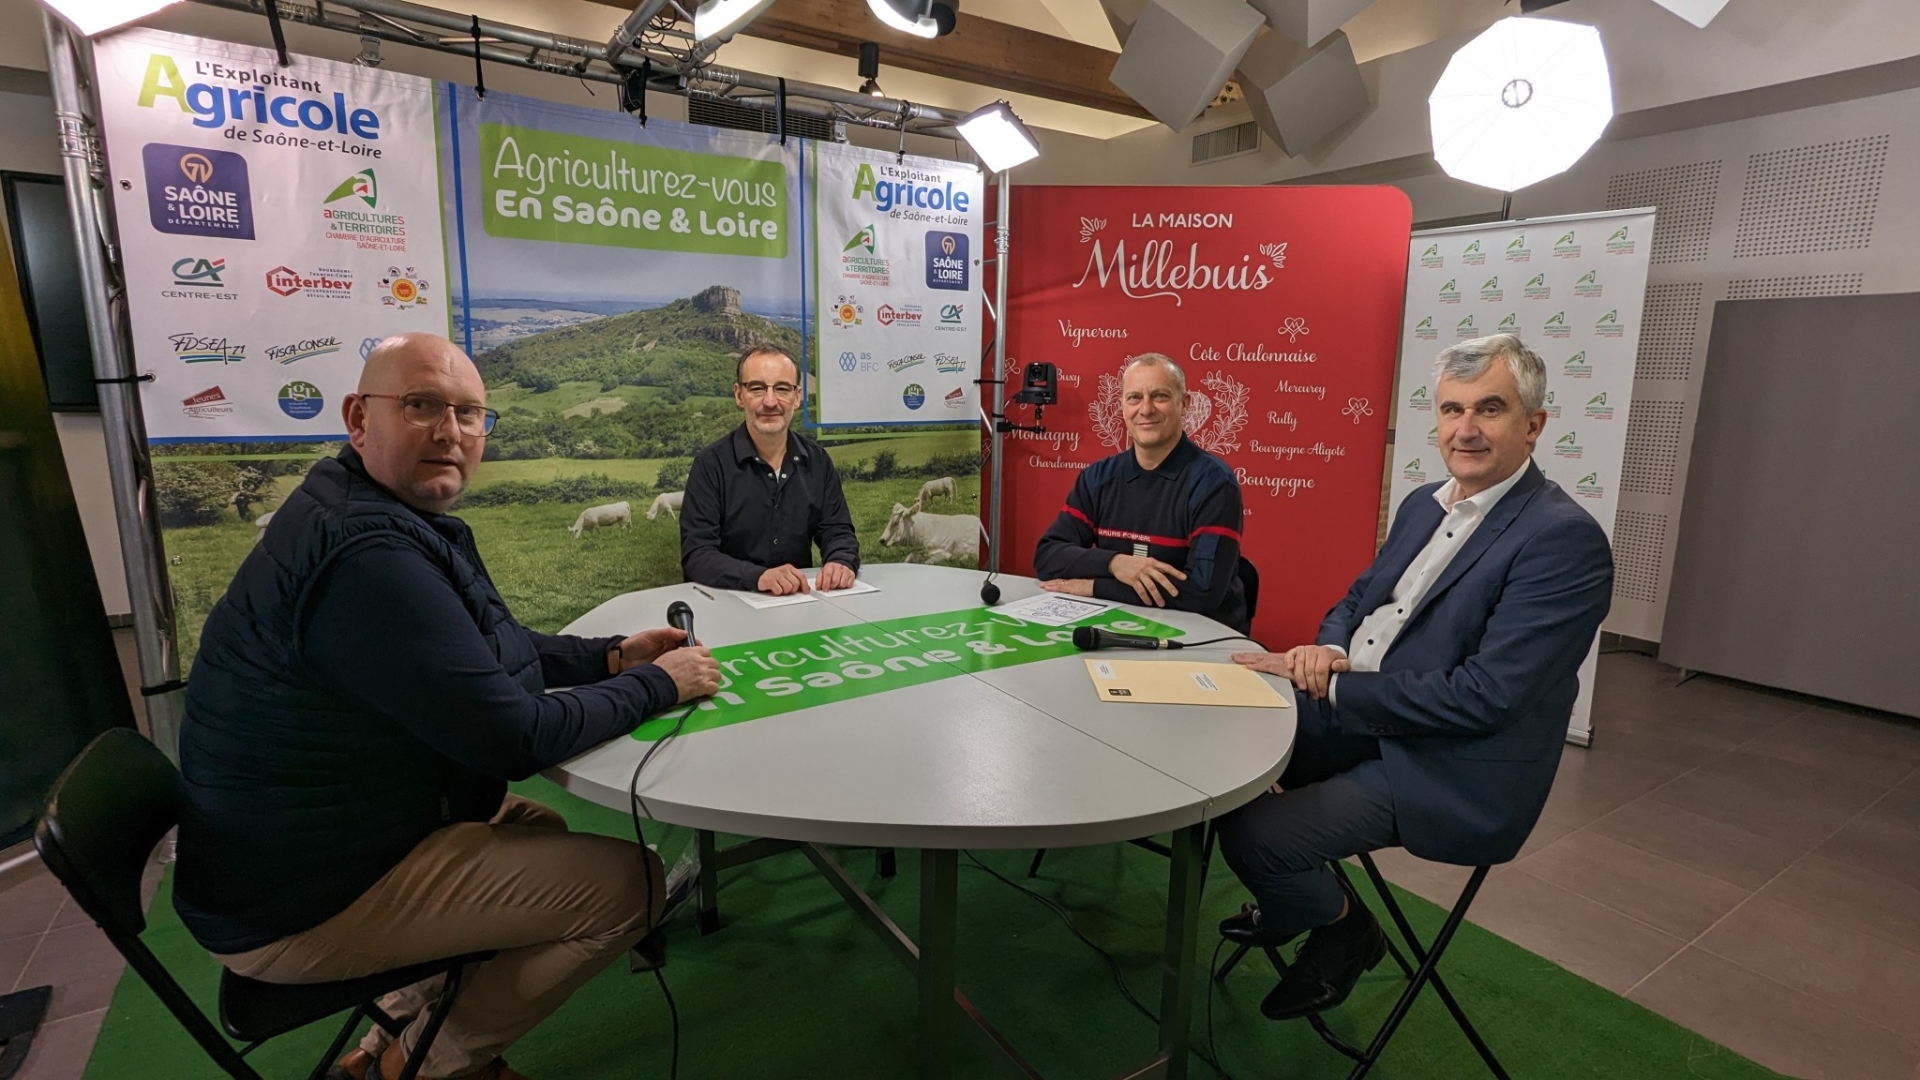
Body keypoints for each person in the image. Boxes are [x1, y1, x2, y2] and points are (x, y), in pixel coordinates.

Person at [174, 332, 722, 1080]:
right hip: (297, 899)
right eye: (423, 405)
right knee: (636, 886)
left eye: (470, 414)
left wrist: (610, 655)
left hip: (308, 845)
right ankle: (424, 1063)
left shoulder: (359, 507)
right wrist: (663, 684)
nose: (452, 431)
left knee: (542, 829)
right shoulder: (367, 556)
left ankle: (399, 1028)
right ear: (359, 420)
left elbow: (478, 653)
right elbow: (516, 739)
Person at [1215, 333, 1613, 1023]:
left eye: (1489, 409)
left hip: (1449, 762)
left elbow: (1486, 697)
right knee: (1215, 759)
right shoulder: (1426, 503)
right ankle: (1291, 902)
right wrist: (1325, 653)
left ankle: (1345, 928)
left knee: (1257, 834)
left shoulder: (1561, 540)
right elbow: (1357, 600)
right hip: (1367, 711)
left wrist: (1335, 687)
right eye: (1451, 410)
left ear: (1534, 425)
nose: (1465, 429)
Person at [1032, 352, 1247, 631]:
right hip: (1117, 627)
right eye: (1134, 398)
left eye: (1160, 396)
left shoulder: (1214, 483)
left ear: (1185, 405)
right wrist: (1115, 564)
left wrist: (1095, 586)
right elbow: (1047, 558)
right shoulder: (1097, 477)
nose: (1145, 409)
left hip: (1196, 637)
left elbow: (1201, 594)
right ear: (1122, 407)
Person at [681, 345, 860, 595]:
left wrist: (841, 561)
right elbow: (697, 555)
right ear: (739, 395)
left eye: (782, 389)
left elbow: (837, 530)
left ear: (797, 397)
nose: (770, 401)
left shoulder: (817, 461)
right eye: (757, 388)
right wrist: (758, 577)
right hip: (730, 605)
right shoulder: (711, 465)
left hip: (799, 604)